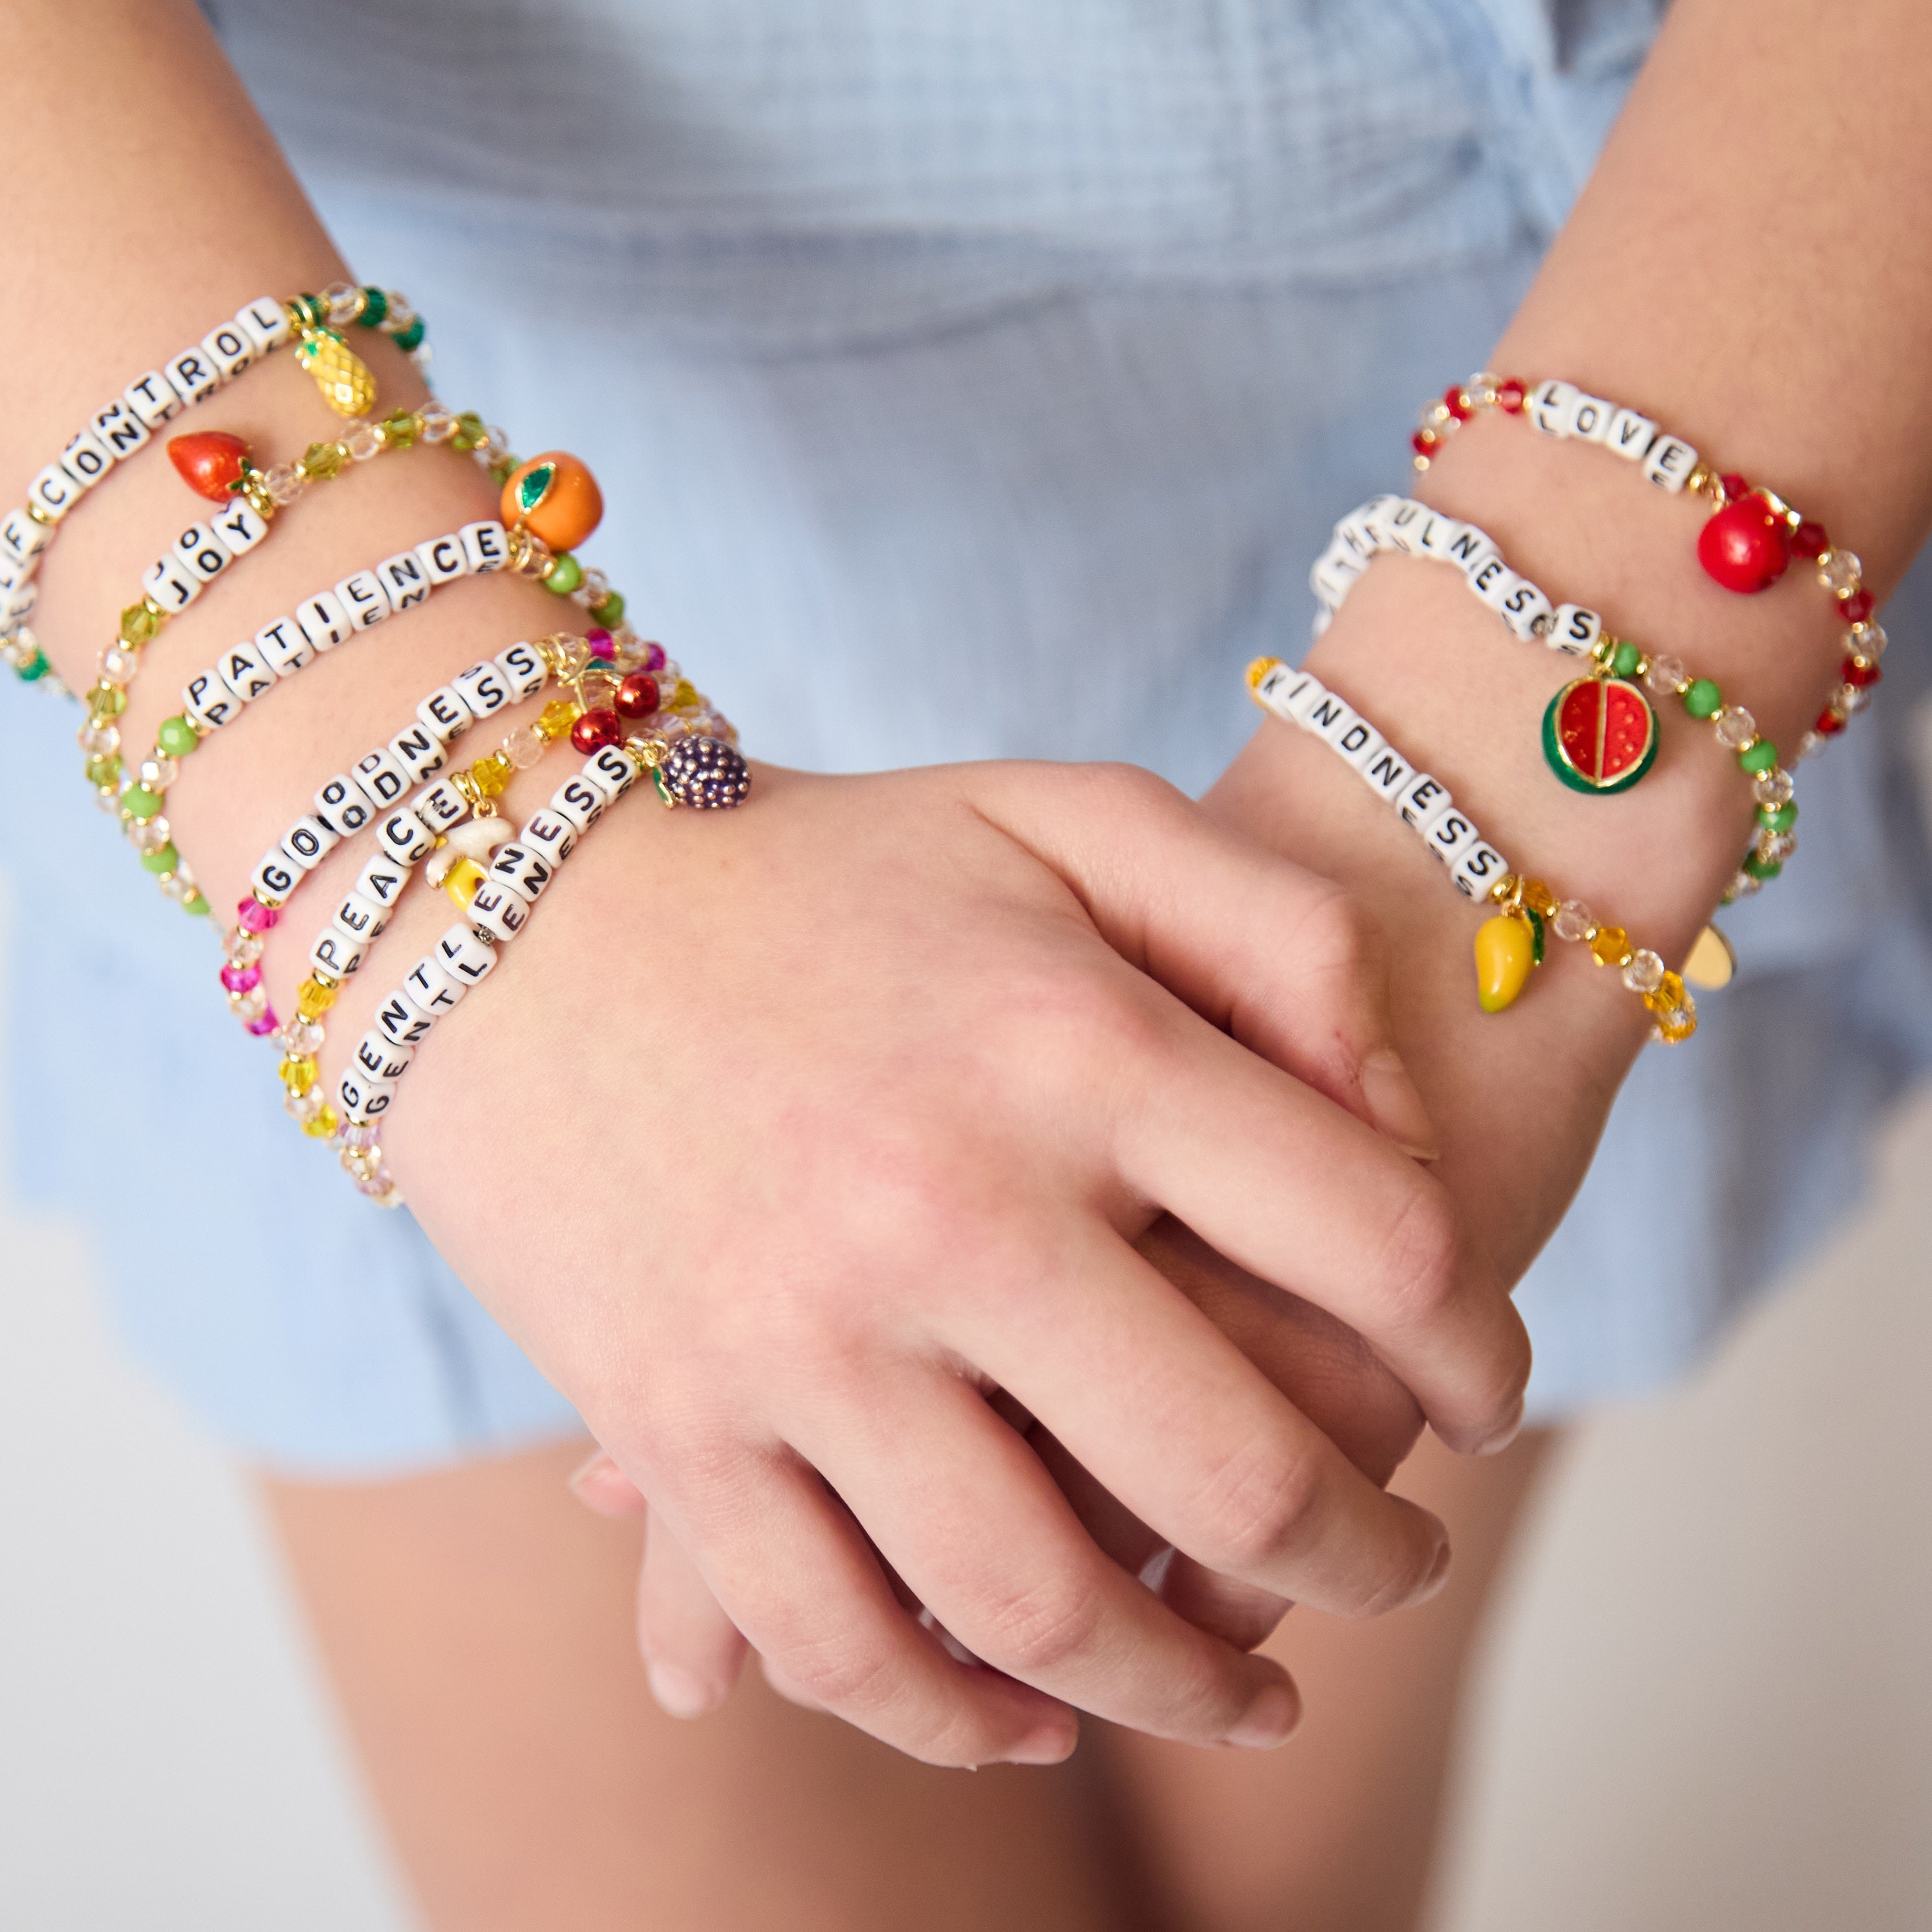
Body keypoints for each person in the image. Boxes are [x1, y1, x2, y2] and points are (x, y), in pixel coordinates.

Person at [4, 0, 1929, 1926]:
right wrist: (478, 864)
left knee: (1269, 1830)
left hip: (1625, 328)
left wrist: (1480, 786)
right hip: (296, 396)